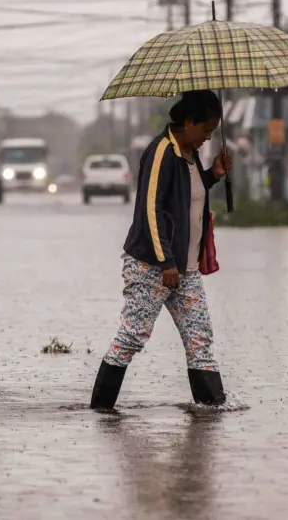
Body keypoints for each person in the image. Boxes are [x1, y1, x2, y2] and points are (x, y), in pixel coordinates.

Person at [90, 90, 232, 409]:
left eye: (212, 132)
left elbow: (186, 199)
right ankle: (100, 412)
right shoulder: (161, 152)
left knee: (200, 340)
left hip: (186, 269)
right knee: (132, 336)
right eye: (205, 130)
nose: (207, 139)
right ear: (187, 121)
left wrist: (213, 175)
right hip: (151, 266)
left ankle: (212, 413)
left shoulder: (191, 155)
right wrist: (166, 262)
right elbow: (150, 210)